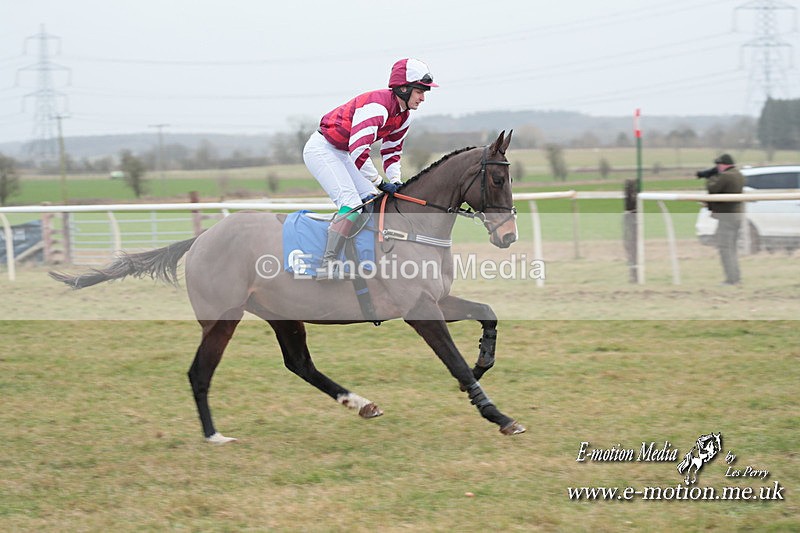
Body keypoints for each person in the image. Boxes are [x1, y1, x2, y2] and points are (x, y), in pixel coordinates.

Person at [303, 58, 437, 280]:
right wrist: (379, 182)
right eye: (420, 91)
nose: (423, 98)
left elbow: (392, 152)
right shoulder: (378, 107)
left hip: (343, 152)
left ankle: (359, 257)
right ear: (403, 88)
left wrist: (396, 181)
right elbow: (358, 149)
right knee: (353, 204)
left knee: (372, 201)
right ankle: (327, 263)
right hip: (323, 150)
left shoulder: (403, 116)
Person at [703, 153, 745, 285]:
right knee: (731, 248)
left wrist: (710, 176)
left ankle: (731, 279)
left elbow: (712, 188)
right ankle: (736, 277)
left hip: (727, 216)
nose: (717, 168)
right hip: (736, 216)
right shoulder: (738, 174)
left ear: (724, 164)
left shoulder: (726, 176)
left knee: (725, 248)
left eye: (719, 165)